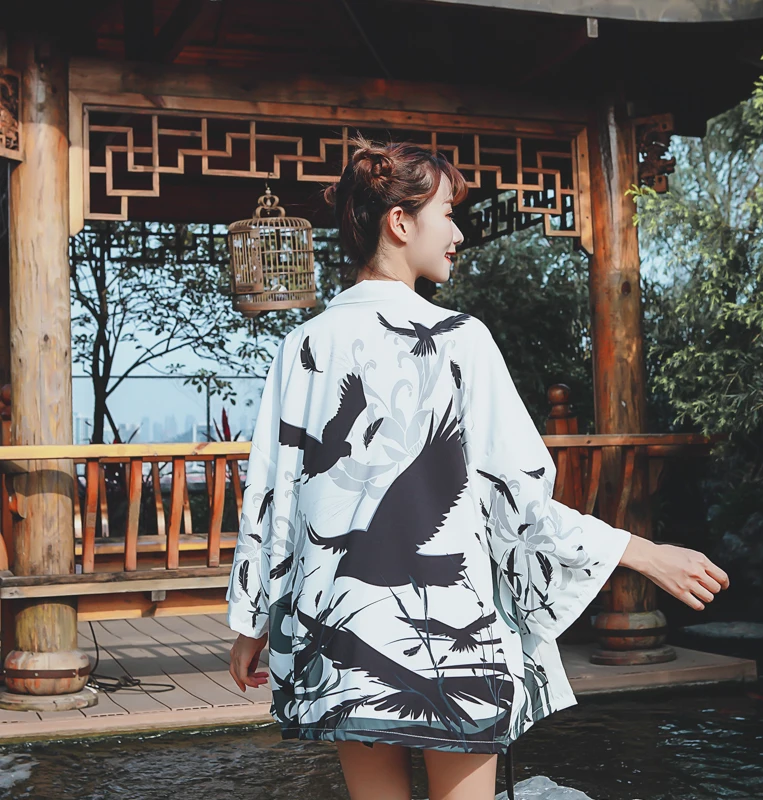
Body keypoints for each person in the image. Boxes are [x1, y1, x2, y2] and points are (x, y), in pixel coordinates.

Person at [226, 136, 730, 800]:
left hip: (340, 636)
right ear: (400, 222)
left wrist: (252, 620)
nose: (459, 232)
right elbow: (518, 504)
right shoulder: (460, 340)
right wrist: (643, 553)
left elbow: (272, 493)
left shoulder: (301, 346)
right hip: (449, 644)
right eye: (447, 213)